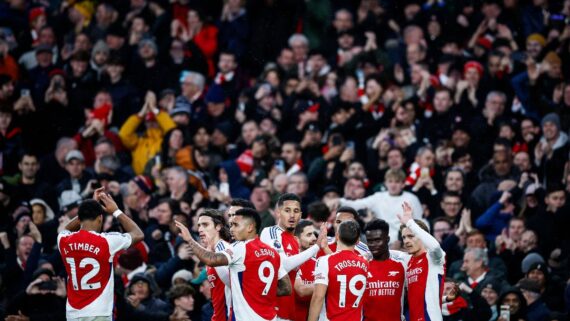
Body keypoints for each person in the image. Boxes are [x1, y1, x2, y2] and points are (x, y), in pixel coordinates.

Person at [175, 208, 292, 321]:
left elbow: (212, 261)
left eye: (205, 225)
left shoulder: (234, 248)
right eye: (199, 225)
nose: (231, 229)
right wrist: (257, 290)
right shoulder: (272, 252)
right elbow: (286, 288)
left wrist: (189, 239)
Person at [57, 188, 144, 320]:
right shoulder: (107, 241)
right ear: (100, 219)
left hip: (73, 313)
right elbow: (138, 234)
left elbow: (65, 229)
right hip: (99, 312)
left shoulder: (63, 240)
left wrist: (90, 204)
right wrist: (116, 211)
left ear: (79, 219)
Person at [260, 193, 327, 321]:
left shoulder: (294, 241)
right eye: (287, 210)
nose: (292, 215)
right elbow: (283, 265)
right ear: (278, 213)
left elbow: (295, 279)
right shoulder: (270, 232)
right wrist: (316, 247)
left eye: (296, 211)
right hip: (272, 311)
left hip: (289, 311)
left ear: (300, 215)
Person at [392, 202, 450, 321]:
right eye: (404, 237)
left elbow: (434, 247)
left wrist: (409, 222)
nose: (406, 241)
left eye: (411, 236)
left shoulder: (434, 258)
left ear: (423, 236)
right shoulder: (407, 260)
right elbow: (381, 251)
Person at [307, 220, 369, 321]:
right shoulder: (365, 263)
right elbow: (344, 263)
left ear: (337, 236)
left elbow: (318, 297)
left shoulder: (324, 261)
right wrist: (326, 248)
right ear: (358, 240)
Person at [362, 219, 406, 321]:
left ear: (387, 239)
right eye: (370, 241)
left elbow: (415, 294)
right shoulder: (362, 265)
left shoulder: (402, 263)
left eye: (378, 240)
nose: (373, 245)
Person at [197, 209, 232, 321]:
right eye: (199, 225)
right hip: (219, 315)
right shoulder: (211, 251)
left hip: (231, 314)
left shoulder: (223, 249)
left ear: (218, 227)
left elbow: (233, 283)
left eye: (205, 225)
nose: (200, 229)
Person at [292, 220, 318, 321]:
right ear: (296, 239)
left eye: (314, 234)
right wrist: (326, 284)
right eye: (309, 235)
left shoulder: (318, 263)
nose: (314, 238)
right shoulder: (290, 262)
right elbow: (301, 291)